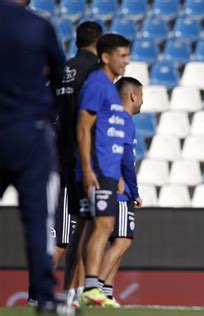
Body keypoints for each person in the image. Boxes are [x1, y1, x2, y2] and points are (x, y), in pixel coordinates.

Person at [0, 0, 65, 313]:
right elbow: (60, 74)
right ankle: (43, 297)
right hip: (28, 130)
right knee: (38, 218)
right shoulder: (38, 25)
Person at [76, 33, 130, 306]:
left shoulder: (109, 86)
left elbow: (107, 131)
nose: (126, 61)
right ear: (106, 56)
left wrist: (117, 173)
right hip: (96, 169)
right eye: (122, 56)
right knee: (102, 225)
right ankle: (89, 288)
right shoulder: (97, 84)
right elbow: (83, 128)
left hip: (107, 170)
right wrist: (87, 170)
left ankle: (87, 289)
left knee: (97, 226)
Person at [54, 20, 103, 307]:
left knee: (68, 234)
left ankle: (65, 296)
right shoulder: (95, 72)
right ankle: (56, 296)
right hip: (80, 160)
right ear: (99, 44)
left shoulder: (61, 70)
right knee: (77, 233)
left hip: (57, 158)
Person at [97, 77, 143, 308]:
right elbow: (127, 159)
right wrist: (134, 191)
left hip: (108, 185)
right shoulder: (125, 120)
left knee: (117, 240)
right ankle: (94, 288)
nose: (142, 101)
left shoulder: (111, 119)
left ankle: (105, 292)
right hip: (120, 193)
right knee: (123, 240)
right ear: (133, 95)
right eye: (141, 96)